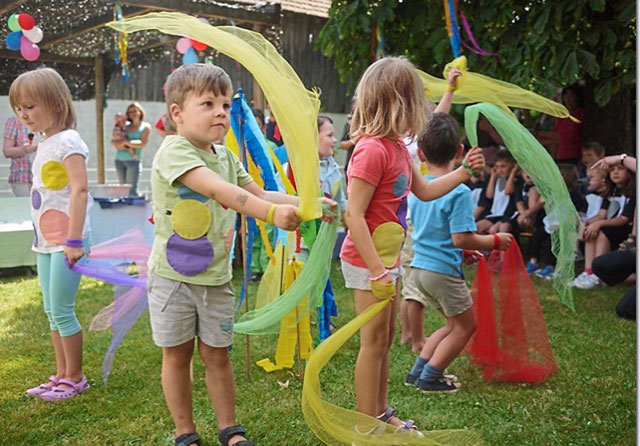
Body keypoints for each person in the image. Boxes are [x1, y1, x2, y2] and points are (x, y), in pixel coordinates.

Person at [147, 63, 333, 446]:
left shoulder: (227, 157)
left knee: (218, 355)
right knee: (177, 356)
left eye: (225, 105)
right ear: (177, 113)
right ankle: (185, 432)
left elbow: (262, 193)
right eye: (208, 103)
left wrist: (310, 204)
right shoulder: (174, 151)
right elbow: (219, 191)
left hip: (215, 279)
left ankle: (229, 430)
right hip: (172, 279)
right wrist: (269, 215)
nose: (220, 112)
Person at [340, 56, 485, 436]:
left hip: (388, 261)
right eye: (417, 99)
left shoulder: (400, 150)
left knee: (385, 338)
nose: (423, 108)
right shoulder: (371, 150)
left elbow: (424, 189)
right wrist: (376, 271)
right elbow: (353, 216)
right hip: (368, 261)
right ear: (398, 102)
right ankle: (365, 427)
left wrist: (463, 172)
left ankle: (381, 411)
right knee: (372, 342)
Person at [404, 112, 511, 393]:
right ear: (460, 151)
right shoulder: (459, 192)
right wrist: (494, 240)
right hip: (441, 272)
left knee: (453, 323)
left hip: (420, 270)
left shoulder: (419, 189)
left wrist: (464, 252)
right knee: (465, 327)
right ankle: (431, 376)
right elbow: (461, 237)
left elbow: (437, 233)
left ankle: (418, 371)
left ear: (421, 154)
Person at [10, 68, 92, 400]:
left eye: (30, 106)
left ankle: (75, 377)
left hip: (67, 241)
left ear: (55, 103)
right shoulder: (45, 143)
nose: (23, 115)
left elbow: (80, 190)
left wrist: (74, 239)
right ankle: (60, 374)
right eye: (18, 109)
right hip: (46, 241)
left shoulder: (69, 141)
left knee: (62, 309)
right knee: (50, 310)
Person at [399, 67, 461, 353]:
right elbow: (435, 121)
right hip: (414, 219)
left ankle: (409, 333)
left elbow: (437, 119)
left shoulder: (413, 138)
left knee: (412, 280)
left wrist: (449, 89)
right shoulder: (405, 141)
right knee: (412, 284)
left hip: (416, 215)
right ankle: (413, 337)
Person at [573, 154, 637, 289]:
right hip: (611, 225)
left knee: (602, 232)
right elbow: (602, 214)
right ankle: (588, 271)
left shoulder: (633, 192)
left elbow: (624, 219)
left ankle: (599, 275)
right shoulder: (611, 191)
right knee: (591, 230)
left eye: (620, 169)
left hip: (626, 228)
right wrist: (588, 223)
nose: (615, 172)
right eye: (612, 170)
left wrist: (599, 224)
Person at [527, 164, 586, 279]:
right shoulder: (552, 193)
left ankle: (550, 266)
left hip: (563, 225)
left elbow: (576, 213)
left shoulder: (574, 196)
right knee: (536, 237)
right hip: (549, 222)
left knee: (552, 242)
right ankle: (533, 262)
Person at [475, 150, 521, 234]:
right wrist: (493, 176)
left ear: (513, 166)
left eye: (503, 166)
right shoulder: (497, 180)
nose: (500, 170)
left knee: (495, 230)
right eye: (497, 167)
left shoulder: (515, 181)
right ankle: (482, 247)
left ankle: (497, 247)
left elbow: (508, 191)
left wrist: (513, 173)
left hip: (507, 215)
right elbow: (489, 195)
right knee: (477, 227)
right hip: (494, 214)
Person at [111, 102, 151, 196]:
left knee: (131, 191)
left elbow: (142, 143)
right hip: (119, 160)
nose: (133, 113)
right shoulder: (124, 125)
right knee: (122, 190)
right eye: (130, 111)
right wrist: (128, 144)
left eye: (135, 111)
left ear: (140, 112)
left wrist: (125, 142)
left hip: (133, 161)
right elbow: (114, 142)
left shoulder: (145, 127)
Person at [3, 115, 37, 196]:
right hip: (22, 178)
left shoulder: (46, 118)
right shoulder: (14, 121)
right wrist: (24, 150)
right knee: (25, 206)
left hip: (44, 177)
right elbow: (6, 152)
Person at [554, 85, 584, 164]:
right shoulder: (561, 116)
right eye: (566, 97)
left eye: (571, 96)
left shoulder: (581, 114)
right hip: (561, 155)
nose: (568, 100)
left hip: (576, 156)